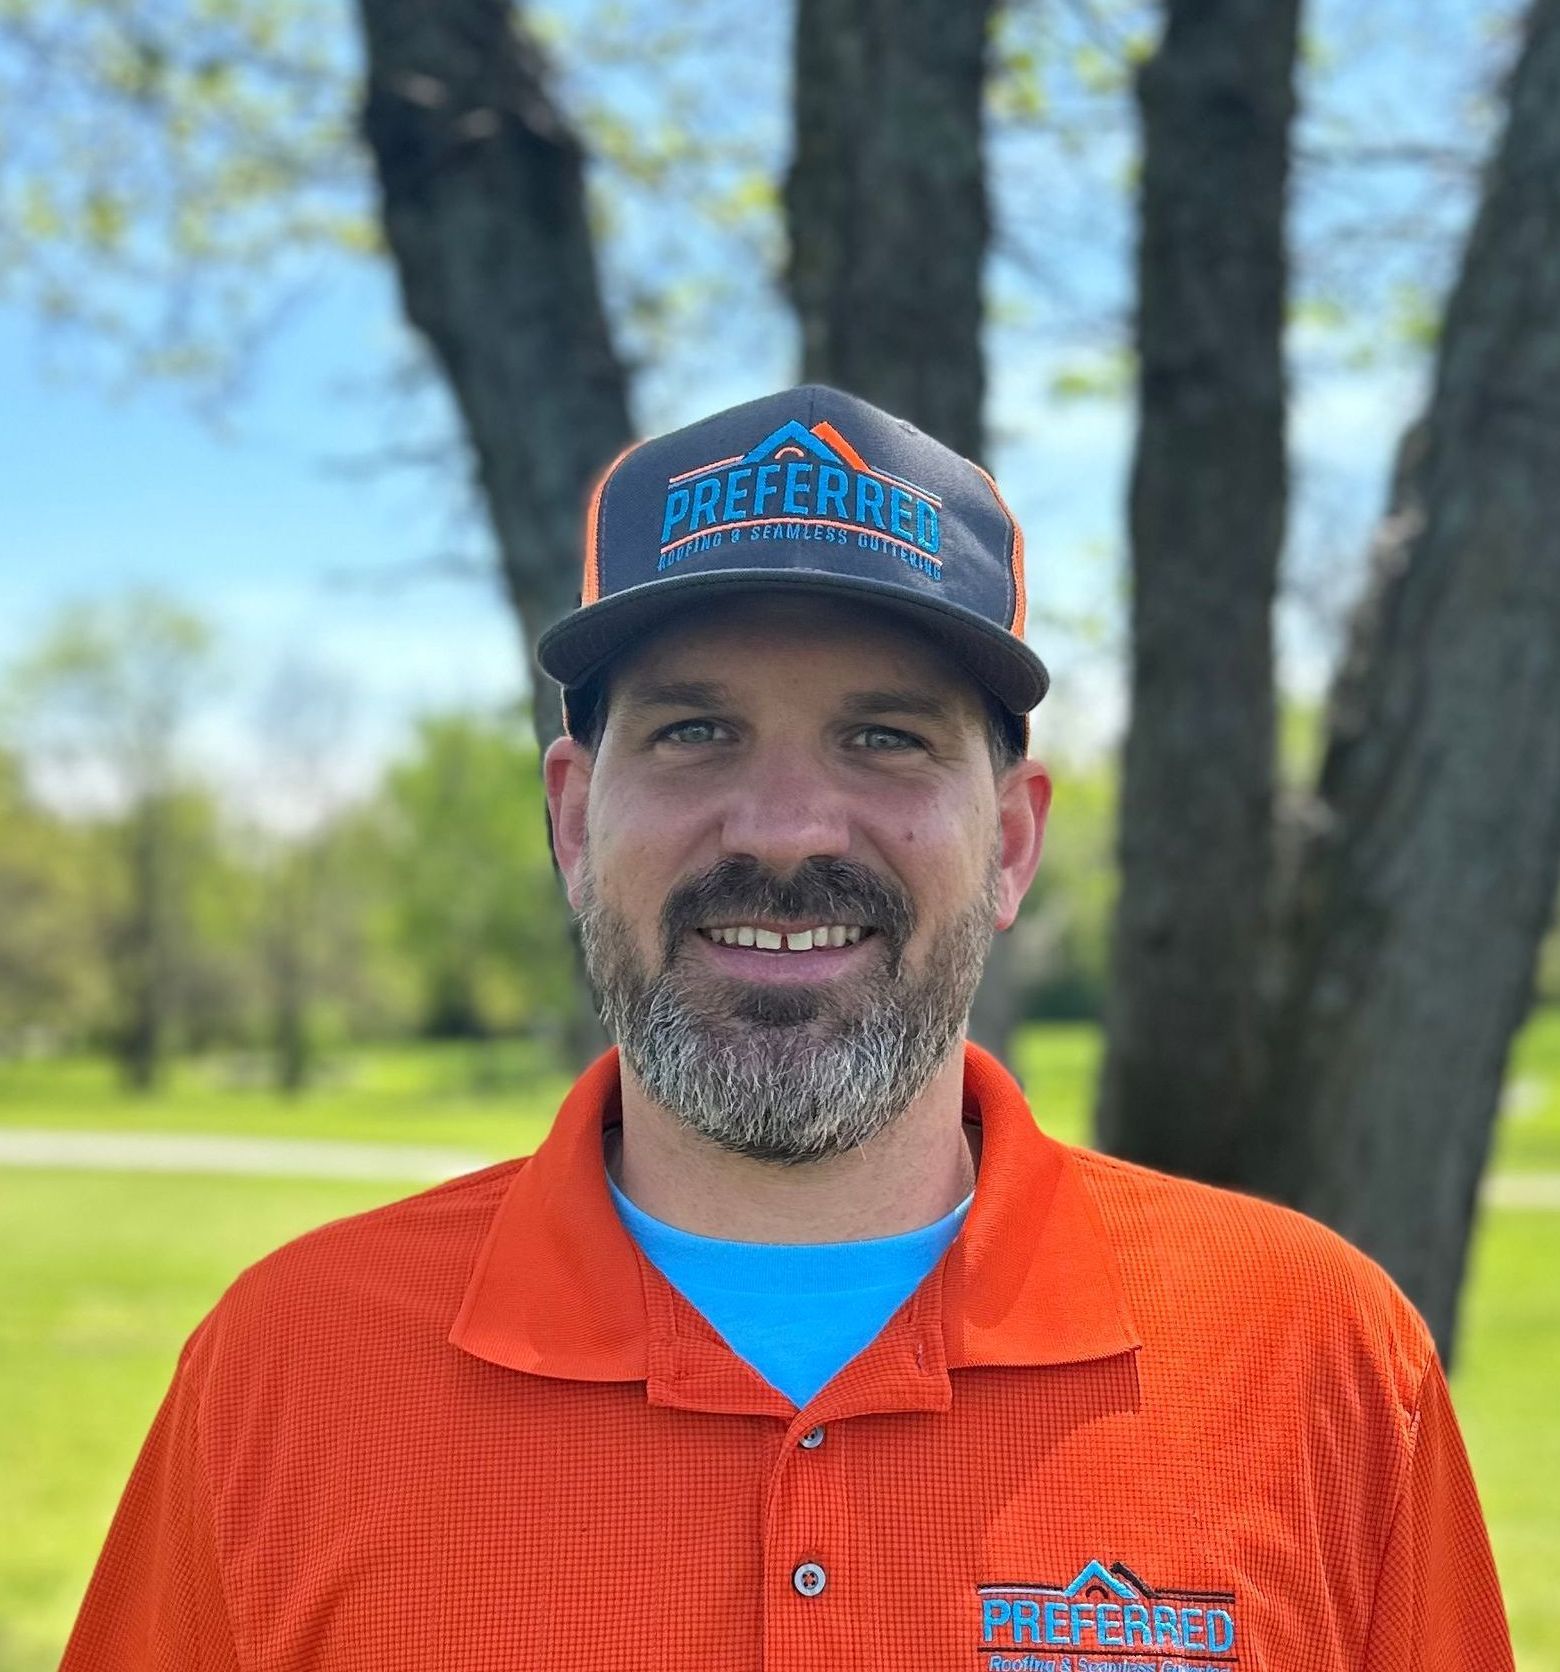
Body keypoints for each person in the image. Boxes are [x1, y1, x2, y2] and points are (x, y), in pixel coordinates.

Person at [63, 386, 1511, 1672]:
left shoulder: (1313, 1360)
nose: (784, 828)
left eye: (885, 737)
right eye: (695, 733)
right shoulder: (287, 1371)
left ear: (1010, 840)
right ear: (575, 821)